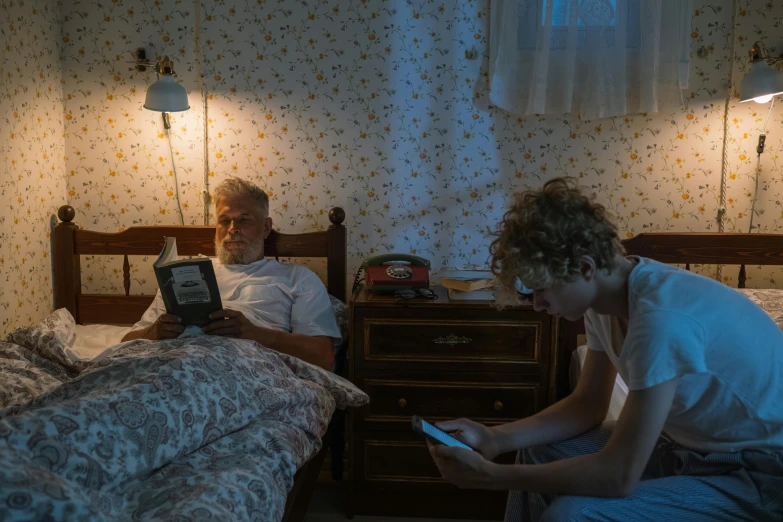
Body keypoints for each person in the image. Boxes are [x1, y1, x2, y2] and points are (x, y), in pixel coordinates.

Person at [427, 178, 783, 521]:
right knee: (538, 450)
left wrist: (493, 477)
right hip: (687, 448)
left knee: (573, 515)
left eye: (540, 289)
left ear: (585, 268)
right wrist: (494, 437)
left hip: (762, 471)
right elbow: (589, 405)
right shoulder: (603, 303)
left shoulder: (660, 318)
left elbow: (617, 476)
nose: (536, 303)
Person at [121, 177, 340, 370]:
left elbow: (323, 356)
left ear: (266, 228)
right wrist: (155, 332)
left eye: (244, 220)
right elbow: (125, 343)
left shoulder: (298, 279)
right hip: (170, 363)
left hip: (245, 369)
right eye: (225, 221)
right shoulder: (184, 274)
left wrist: (253, 333)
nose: (233, 228)